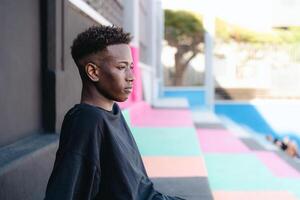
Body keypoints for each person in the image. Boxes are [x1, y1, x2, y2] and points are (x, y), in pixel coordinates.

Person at [44, 25, 185, 200]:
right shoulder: (87, 122)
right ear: (93, 72)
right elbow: (65, 191)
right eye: (121, 67)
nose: (131, 76)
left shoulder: (113, 111)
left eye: (131, 67)